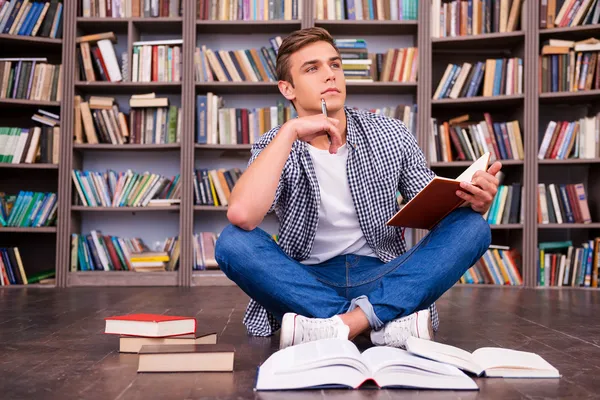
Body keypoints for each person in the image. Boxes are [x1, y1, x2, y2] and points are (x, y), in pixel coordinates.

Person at [214, 27, 500, 350]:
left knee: (472, 227)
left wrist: (474, 199)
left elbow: (433, 207)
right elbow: (242, 215)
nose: (330, 75)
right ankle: (379, 324)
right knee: (231, 243)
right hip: (307, 281)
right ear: (287, 89)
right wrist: (291, 131)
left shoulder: (390, 133)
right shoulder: (275, 145)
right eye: (313, 68)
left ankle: (342, 325)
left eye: (335, 65)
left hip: (383, 276)